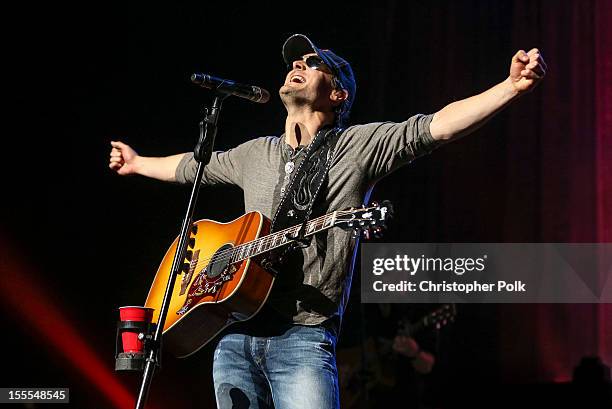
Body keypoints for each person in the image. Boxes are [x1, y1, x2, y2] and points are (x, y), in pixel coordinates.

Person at [108, 34, 546, 409]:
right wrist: (138, 162)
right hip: (233, 334)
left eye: (313, 63)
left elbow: (435, 128)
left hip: (301, 337)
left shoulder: (357, 146)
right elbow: (193, 166)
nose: (298, 64)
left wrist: (510, 87)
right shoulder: (255, 152)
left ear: (338, 94)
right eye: (296, 61)